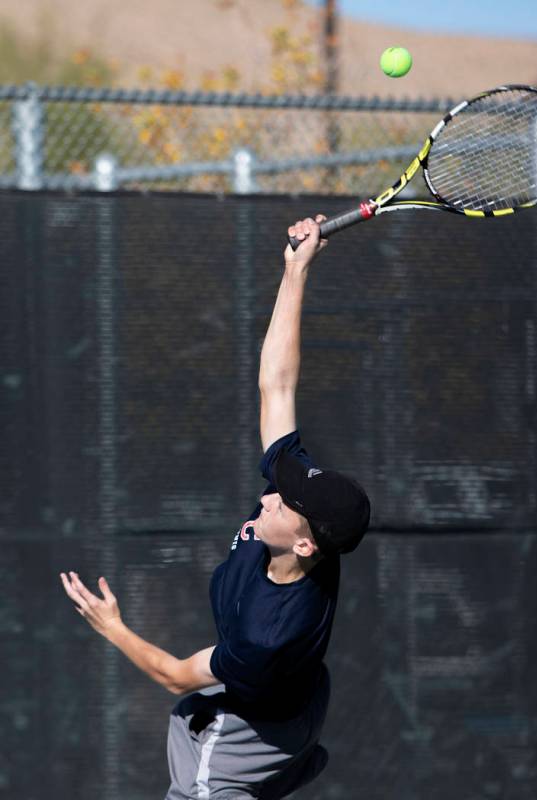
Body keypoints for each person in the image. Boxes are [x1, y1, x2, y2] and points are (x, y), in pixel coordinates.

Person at [60, 214, 371, 799]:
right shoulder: (308, 535)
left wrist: (112, 627)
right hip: (298, 700)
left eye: (285, 504)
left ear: (305, 545)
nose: (270, 493)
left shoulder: (266, 634)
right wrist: (295, 270)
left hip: (254, 735)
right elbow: (276, 385)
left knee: (197, 768)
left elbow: (172, 673)